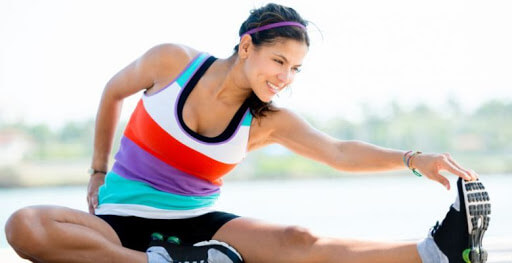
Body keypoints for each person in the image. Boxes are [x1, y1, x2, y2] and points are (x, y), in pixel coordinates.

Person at [4, 3, 491, 263]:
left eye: (296, 69)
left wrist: (415, 159)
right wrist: (96, 170)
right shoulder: (171, 62)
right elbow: (112, 92)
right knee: (25, 226)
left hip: (197, 231)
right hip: (116, 221)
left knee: (299, 239)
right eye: (279, 61)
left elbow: (340, 152)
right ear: (246, 46)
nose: (284, 77)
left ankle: (435, 253)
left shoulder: (265, 121)